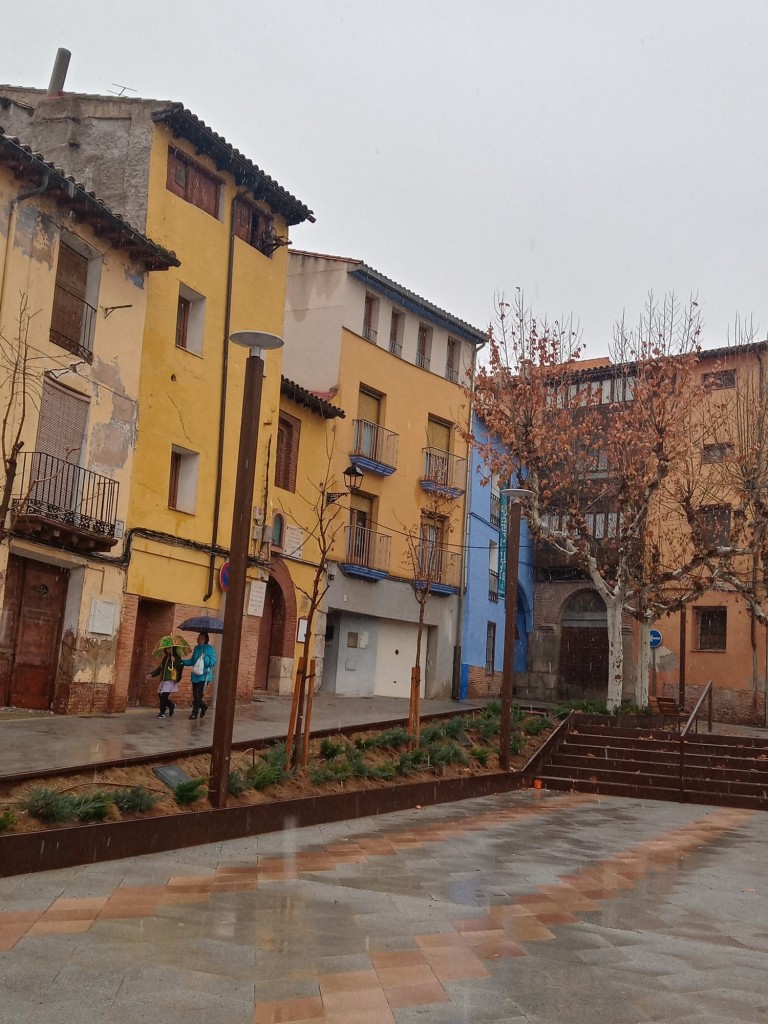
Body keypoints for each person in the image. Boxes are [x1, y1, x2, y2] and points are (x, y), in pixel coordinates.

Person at [183, 631, 217, 720]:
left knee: (198, 695)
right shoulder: (196, 648)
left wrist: (205, 657)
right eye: (199, 637)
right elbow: (192, 661)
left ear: (206, 639)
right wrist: (182, 662)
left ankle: (194, 713)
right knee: (195, 695)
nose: (200, 639)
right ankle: (203, 706)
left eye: (202, 638)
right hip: (195, 676)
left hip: (204, 676)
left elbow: (212, 662)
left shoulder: (209, 648)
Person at [149, 646, 183, 719]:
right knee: (160, 694)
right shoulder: (165, 658)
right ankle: (171, 705)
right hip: (164, 680)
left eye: (170, 648)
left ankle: (162, 712)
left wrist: (175, 661)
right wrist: (152, 674)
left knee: (164, 696)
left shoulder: (177, 658)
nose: (168, 650)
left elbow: (180, 667)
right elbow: (160, 668)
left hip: (171, 680)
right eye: (167, 648)